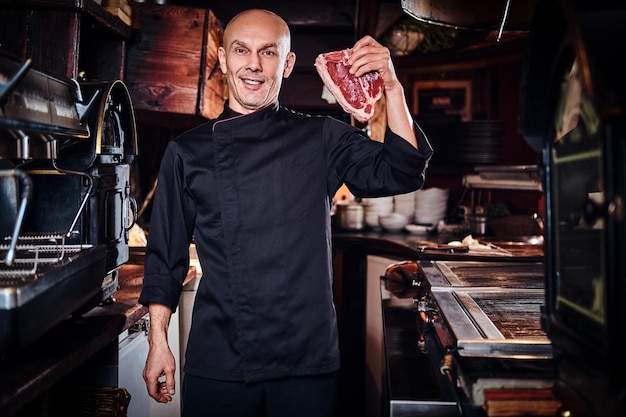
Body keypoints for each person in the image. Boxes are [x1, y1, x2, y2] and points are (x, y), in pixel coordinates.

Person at [138, 8, 433, 417]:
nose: (254, 65)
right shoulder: (187, 152)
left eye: (269, 53)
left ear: (288, 63)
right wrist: (158, 343)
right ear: (223, 60)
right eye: (241, 51)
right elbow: (164, 258)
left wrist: (393, 87)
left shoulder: (322, 137)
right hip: (220, 359)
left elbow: (403, 170)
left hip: (306, 360)